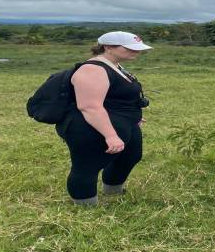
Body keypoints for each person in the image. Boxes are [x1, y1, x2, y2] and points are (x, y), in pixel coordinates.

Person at [55, 31, 151, 205]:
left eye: (138, 49)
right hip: (90, 127)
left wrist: (132, 118)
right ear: (107, 47)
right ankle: (86, 206)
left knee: (131, 156)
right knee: (88, 165)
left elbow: (115, 98)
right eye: (130, 48)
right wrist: (111, 135)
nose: (136, 52)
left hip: (122, 123)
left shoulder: (115, 65)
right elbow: (89, 106)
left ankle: (113, 191)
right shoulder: (93, 69)